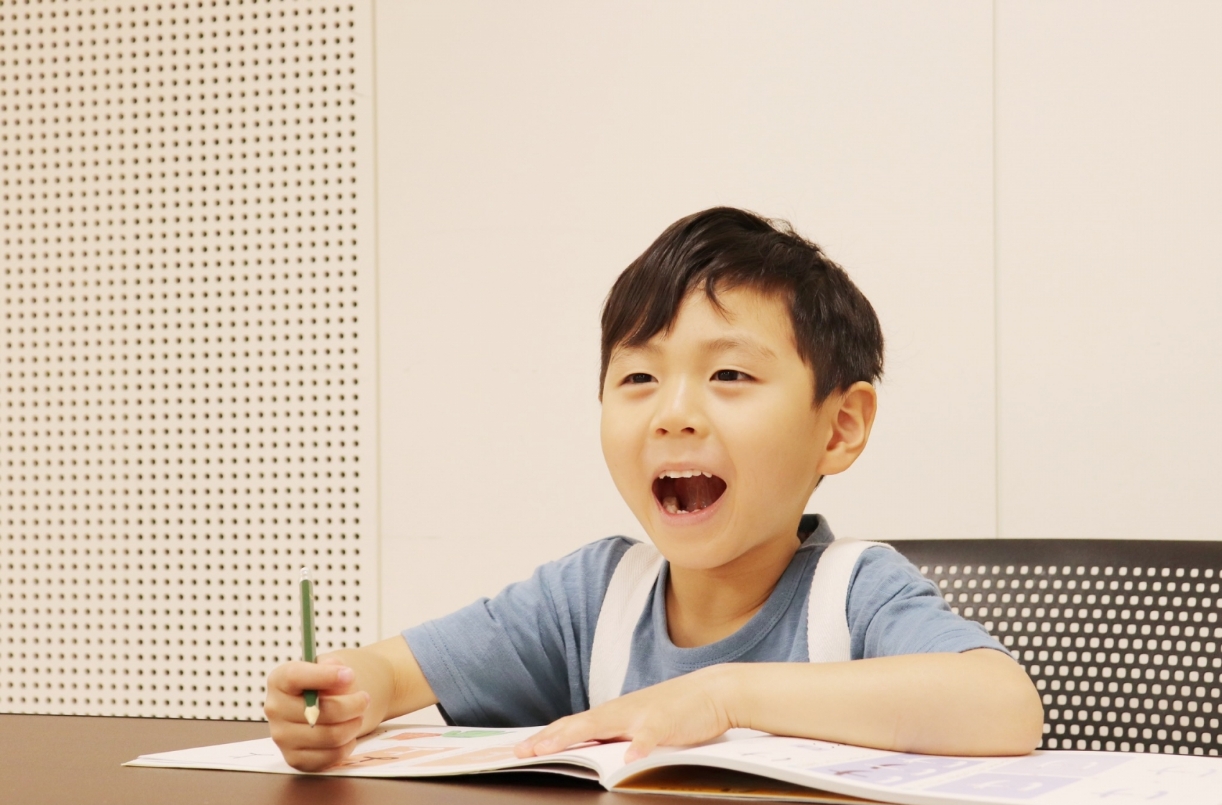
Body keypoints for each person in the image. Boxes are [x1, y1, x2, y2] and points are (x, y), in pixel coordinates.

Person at [265, 207, 1044, 771]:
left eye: (728, 374)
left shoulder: (852, 596)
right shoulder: (591, 599)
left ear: (839, 427)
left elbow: (1003, 705)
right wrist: (343, 697)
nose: (673, 413)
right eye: (638, 377)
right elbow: (391, 674)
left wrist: (722, 697)